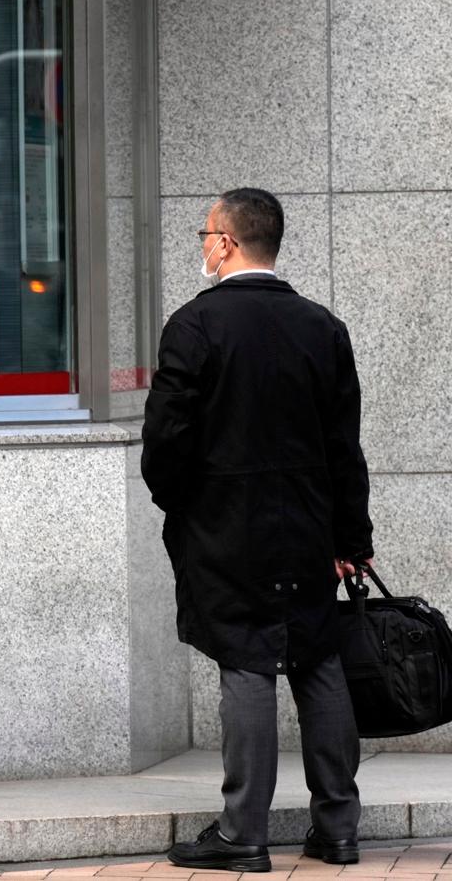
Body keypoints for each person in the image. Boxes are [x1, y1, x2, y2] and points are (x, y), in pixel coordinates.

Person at [141, 188, 374, 873]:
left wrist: (176, 501)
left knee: (246, 658)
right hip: (306, 522)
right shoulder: (321, 326)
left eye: (205, 233)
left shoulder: (195, 325)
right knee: (316, 656)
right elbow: (344, 446)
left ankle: (245, 832)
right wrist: (350, 539)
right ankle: (338, 829)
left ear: (227, 243)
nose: (203, 245)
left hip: (223, 523)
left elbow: (167, 437)